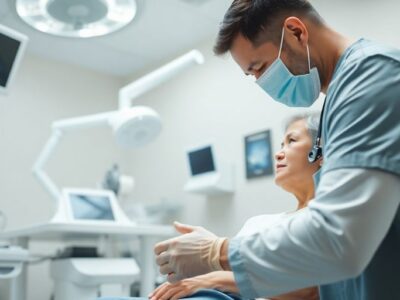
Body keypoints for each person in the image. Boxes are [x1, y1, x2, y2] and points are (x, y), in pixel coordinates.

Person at [154, 1, 400, 300]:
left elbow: (339, 240)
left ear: (296, 32)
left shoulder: (372, 76)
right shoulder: (338, 100)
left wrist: (217, 252)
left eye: (259, 68)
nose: (260, 82)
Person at [149, 113, 321, 300]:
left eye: (292, 141)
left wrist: (211, 276)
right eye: (281, 145)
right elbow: (236, 268)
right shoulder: (259, 222)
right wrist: (202, 261)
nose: (278, 153)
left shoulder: (326, 221)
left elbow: (310, 289)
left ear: (322, 153)